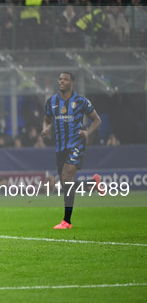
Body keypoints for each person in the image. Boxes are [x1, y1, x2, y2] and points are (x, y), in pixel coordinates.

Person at [41, 72, 102, 230]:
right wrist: (45, 129)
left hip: (76, 143)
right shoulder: (52, 101)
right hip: (59, 147)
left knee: (68, 175)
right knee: (65, 183)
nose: (61, 81)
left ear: (72, 83)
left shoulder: (81, 101)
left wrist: (88, 132)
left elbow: (97, 119)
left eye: (65, 79)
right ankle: (92, 183)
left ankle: (66, 221)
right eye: (60, 78)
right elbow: (47, 120)